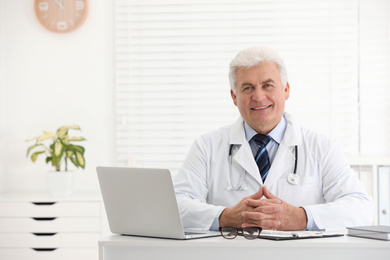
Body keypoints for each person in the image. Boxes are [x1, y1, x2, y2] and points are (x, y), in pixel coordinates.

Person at [173, 46, 373, 231]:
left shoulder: (322, 148)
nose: (258, 97)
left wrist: (302, 217)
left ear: (285, 90)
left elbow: (361, 209)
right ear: (234, 96)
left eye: (267, 85)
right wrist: (225, 217)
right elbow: (175, 206)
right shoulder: (207, 147)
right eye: (247, 88)